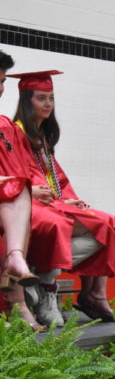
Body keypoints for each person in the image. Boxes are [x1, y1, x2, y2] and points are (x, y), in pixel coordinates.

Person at [10, 71, 115, 327]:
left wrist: (66, 200)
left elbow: (56, 179)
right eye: (41, 98)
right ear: (26, 101)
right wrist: (36, 194)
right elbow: (18, 175)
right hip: (26, 204)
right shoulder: (14, 133)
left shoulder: (42, 137)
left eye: (51, 98)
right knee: (60, 227)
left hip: (51, 202)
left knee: (109, 224)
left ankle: (92, 293)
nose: (48, 104)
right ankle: (47, 287)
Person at [0, 50, 43, 331]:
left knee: (18, 188)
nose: (0, 88)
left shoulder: (5, 126)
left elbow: (23, 169)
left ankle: (16, 258)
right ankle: (19, 303)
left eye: (2, 81)